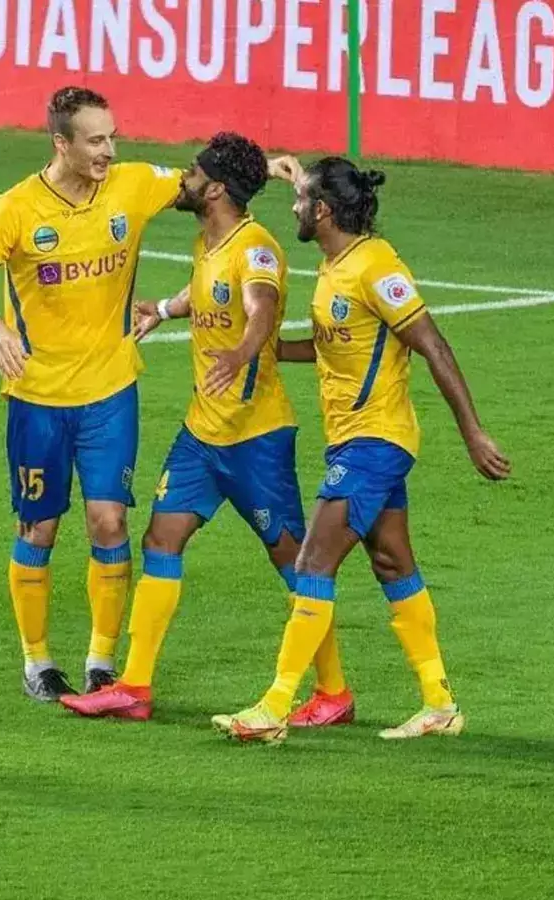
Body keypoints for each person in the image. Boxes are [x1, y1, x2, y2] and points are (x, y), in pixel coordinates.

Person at [213, 157, 511, 744]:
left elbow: (434, 346)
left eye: (302, 200)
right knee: (392, 562)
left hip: (375, 441)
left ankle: (273, 708)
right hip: (358, 439)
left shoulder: (375, 267)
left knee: (312, 565)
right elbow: (334, 344)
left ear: (323, 211)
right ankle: (439, 704)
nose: (295, 208)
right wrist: (269, 351)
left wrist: (473, 433)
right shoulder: (336, 263)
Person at [0, 86, 184, 701]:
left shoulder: (133, 185)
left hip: (110, 390)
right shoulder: (14, 209)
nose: (110, 151)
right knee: (39, 527)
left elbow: (207, 185)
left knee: (109, 520)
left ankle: (102, 661)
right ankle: (37, 662)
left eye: (112, 138)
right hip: (38, 398)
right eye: (96, 140)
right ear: (61, 143)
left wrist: (270, 167)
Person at [61, 132, 304, 722]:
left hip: (255, 437)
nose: (184, 180)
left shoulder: (257, 248)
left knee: (296, 563)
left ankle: (333, 691)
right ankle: (134, 688)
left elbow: (261, 306)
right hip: (202, 434)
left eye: (194, 172)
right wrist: (165, 310)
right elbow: (209, 293)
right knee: (160, 541)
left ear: (215, 189)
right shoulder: (208, 242)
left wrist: (243, 350)